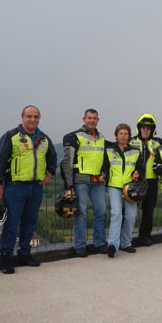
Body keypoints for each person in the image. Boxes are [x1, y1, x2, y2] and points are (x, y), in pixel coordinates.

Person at [0, 105, 57, 274]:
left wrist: (49, 174)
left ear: (39, 119)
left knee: (30, 222)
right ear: (22, 118)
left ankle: (24, 254)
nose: (32, 119)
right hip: (14, 187)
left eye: (35, 116)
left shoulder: (44, 139)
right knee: (11, 224)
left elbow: (53, 158)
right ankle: (5, 257)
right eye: (29, 116)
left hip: (36, 187)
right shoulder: (11, 136)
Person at [60, 109, 108, 257]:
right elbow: (67, 162)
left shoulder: (101, 137)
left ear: (98, 120)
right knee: (80, 213)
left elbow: (105, 159)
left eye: (95, 118)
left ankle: (99, 243)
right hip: (80, 182)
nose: (92, 120)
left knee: (101, 212)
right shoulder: (74, 136)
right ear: (84, 119)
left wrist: (104, 173)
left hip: (97, 183)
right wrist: (69, 185)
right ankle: (80, 245)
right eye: (89, 118)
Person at [104, 123, 143, 258]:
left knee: (131, 216)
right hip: (114, 185)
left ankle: (126, 243)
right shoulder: (108, 150)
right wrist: (104, 175)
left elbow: (140, 168)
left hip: (130, 187)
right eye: (121, 133)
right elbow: (105, 167)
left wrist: (138, 174)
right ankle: (113, 245)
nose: (123, 136)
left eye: (126, 133)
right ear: (116, 135)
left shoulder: (136, 151)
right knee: (116, 213)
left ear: (129, 136)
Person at [129, 113, 162, 246]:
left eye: (148, 128)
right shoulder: (131, 141)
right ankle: (125, 237)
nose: (145, 130)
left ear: (152, 129)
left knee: (149, 210)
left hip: (152, 180)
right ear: (139, 128)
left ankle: (145, 236)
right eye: (143, 127)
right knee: (130, 209)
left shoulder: (158, 142)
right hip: (134, 180)